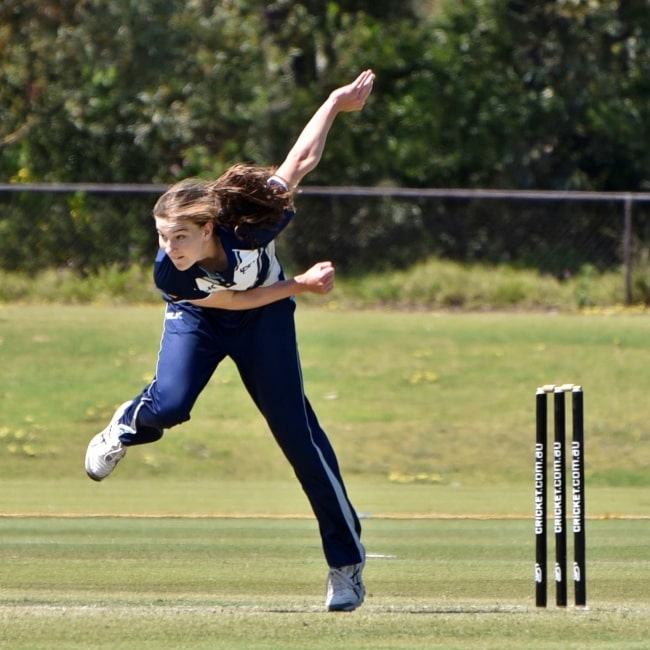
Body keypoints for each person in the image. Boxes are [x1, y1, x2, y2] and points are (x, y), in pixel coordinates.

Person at [85, 69, 375, 612]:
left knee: (298, 438)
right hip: (208, 317)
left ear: (209, 229)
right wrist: (301, 285)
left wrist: (334, 102)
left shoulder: (252, 222)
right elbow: (231, 302)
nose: (170, 247)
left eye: (181, 236)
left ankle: (345, 566)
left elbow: (301, 160)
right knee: (169, 405)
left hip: (265, 322)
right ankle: (128, 422)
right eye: (162, 236)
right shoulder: (171, 276)